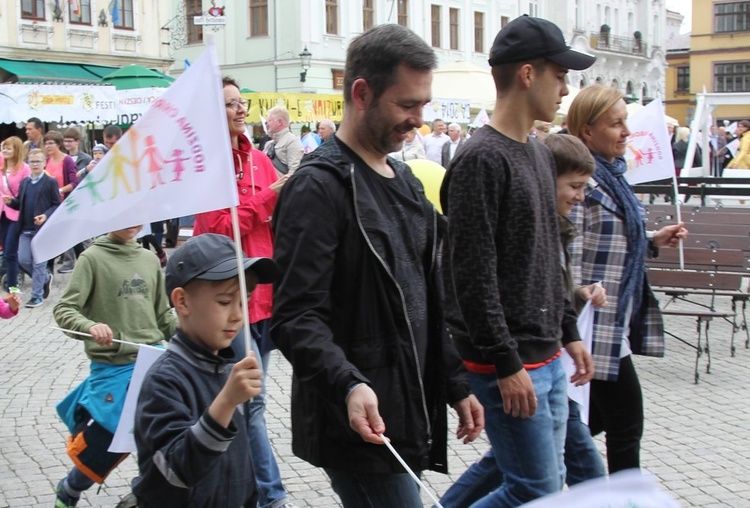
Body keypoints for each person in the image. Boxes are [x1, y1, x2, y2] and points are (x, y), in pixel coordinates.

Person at [271, 23, 483, 508]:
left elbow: (425, 298)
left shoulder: (406, 181)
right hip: (359, 423)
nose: (418, 121)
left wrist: (454, 382)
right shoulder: (318, 188)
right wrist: (346, 383)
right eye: (407, 105)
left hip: (406, 408)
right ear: (362, 92)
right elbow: (295, 317)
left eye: (424, 106)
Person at [441, 15, 596, 506]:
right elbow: (471, 273)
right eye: (560, 74)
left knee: (538, 487)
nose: (566, 88)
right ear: (528, 74)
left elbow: (549, 256)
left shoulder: (535, 151)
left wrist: (569, 331)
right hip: (510, 361)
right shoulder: (480, 158)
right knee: (534, 490)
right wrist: (504, 361)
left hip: (544, 354)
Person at [567, 84, 688, 474]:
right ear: (587, 131)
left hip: (613, 319)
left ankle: (518, 471)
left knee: (584, 425)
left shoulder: (614, 177)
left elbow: (616, 237)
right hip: (591, 324)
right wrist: (578, 291)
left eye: (626, 122)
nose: (626, 132)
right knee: (625, 423)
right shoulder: (581, 181)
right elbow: (565, 253)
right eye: (615, 124)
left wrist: (653, 239)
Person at [193, 76, 295, 508]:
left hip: (265, 297)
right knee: (251, 403)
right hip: (230, 301)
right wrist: (267, 201)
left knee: (246, 401)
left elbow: (280, 219)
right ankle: (270, 496)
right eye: (230, 104)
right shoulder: (207, 165)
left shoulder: (259, 160)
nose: (240, 109)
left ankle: (238, 486)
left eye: (241, 102)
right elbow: (214, 229)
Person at [132, 233, 281, 507]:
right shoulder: (164, 379)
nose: (238, 315)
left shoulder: (229, 370)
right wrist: (225, 402)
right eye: (225, 302)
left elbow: (242, 465)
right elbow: (176, 470)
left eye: (244, 301)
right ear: (182, 301)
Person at [52, 224, 177, 507]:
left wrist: (194, 331)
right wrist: (90, 325)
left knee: (162, 433)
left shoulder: (148, 259)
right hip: (111, 368)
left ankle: (146, 495)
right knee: (105, 443)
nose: (133, 221)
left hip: (154, 361)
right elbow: (64, 309)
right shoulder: (92, 258)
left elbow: (162, 316)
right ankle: (71, 488)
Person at [3, 148, 59, 308]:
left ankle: (36, 296)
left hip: (42, 230)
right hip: (25, 229)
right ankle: (45, 279)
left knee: (38, 263)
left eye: (38, 161)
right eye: (32, 161)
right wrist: (11, 202)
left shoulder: (50, 182)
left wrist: (46, 216)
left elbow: (57, 204)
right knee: (23, 259)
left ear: (44, 163)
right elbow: (20, 202)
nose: (35, 164)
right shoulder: (25, 182)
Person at [43, 131, 79, 274]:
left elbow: (74, 182)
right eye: (45, 143)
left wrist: (60, 190)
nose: (47, 146)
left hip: (64, 202)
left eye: (51, 143)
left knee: (66, 234)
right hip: (50, 204)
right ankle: (49, 267)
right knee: (52, 235)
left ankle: (72, 262)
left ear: (58, 144)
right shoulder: (47, 161)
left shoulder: (67, 160)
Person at [0, 136, 31, 291]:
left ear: (16, 150)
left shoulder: (24, 169)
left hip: (16, 213)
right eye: (3, 147)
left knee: (10, 252)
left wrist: (12, 200)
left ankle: (13, 286)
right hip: (2, 213)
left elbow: (26, 193)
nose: (5, 150)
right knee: (6, 251)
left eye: (9, 148)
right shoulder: (2, 167)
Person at [263, 106, 304, 176]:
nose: (267, 124)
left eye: (269, 121)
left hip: (283, 186)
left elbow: (294, 172)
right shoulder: (269, 144)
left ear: (279, 122)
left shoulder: (292, 141)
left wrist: (277, 186)